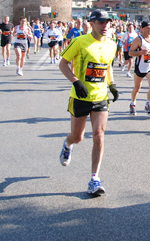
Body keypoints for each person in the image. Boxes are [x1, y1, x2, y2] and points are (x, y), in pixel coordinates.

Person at [58, 10, 119, 196]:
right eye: (101, 22)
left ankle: (94, 178)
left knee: (99, 134)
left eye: (108, 22)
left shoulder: (112, 45)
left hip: (100, 97)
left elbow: (107, 66)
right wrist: (76, 81)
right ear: (92, 23)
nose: (105, 26)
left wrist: (112, 84)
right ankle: (68, 144)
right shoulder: (80, 42)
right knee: (78, 137)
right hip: (80, 97)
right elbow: (63, 64)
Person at [128, 21, 150, 116]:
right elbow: (131, 53)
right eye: (148, 28)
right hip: (140, 67)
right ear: (142, 29)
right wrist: (141, 53)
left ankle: (148, 104)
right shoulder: (138, 39)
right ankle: (132, 104)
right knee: (137, 88)